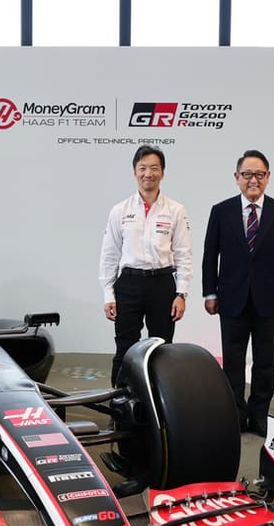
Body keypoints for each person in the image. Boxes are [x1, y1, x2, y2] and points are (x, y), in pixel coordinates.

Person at [202, 150, 274, 437]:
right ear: (236, 177)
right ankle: (235, 415)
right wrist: (209, 292)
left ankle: (259, 416)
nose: (253, 180)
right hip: (231, 299)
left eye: (259, 174)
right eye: (247, 174)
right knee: (233, 362)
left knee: (265, 362)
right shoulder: (221, 211)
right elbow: (210, 255)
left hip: (270, 300)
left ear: (268, 177)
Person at [99, 145, 192, 384]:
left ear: (163, 172)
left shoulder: (176, 210)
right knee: (125, 346)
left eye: (154, 168)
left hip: (162, 284)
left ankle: (159, 401)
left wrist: (181, 294)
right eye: (142, 168)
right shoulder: (120, 210)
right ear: (134, 172)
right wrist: (108, 294)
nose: (148, 174)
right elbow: (109, 255)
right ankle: (121, 399)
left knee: (162, 348)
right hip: (129, 284)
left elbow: (184, 254)